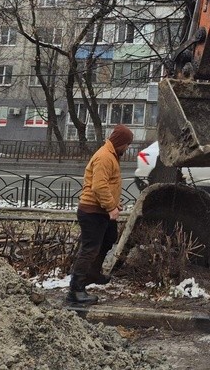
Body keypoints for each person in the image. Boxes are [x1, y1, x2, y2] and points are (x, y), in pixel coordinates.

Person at [66, 123, 133, 304]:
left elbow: (107, 185)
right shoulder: (105, 157)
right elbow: (99, 186)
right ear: (120, 142)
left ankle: (93, 273)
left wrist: (114, 204)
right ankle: (76, 290)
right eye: (127, 144)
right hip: (92, 211)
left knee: (110, 237)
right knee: (90, 249)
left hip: (100, 209)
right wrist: (111, 207)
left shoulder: (111, 155)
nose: (127, 148)